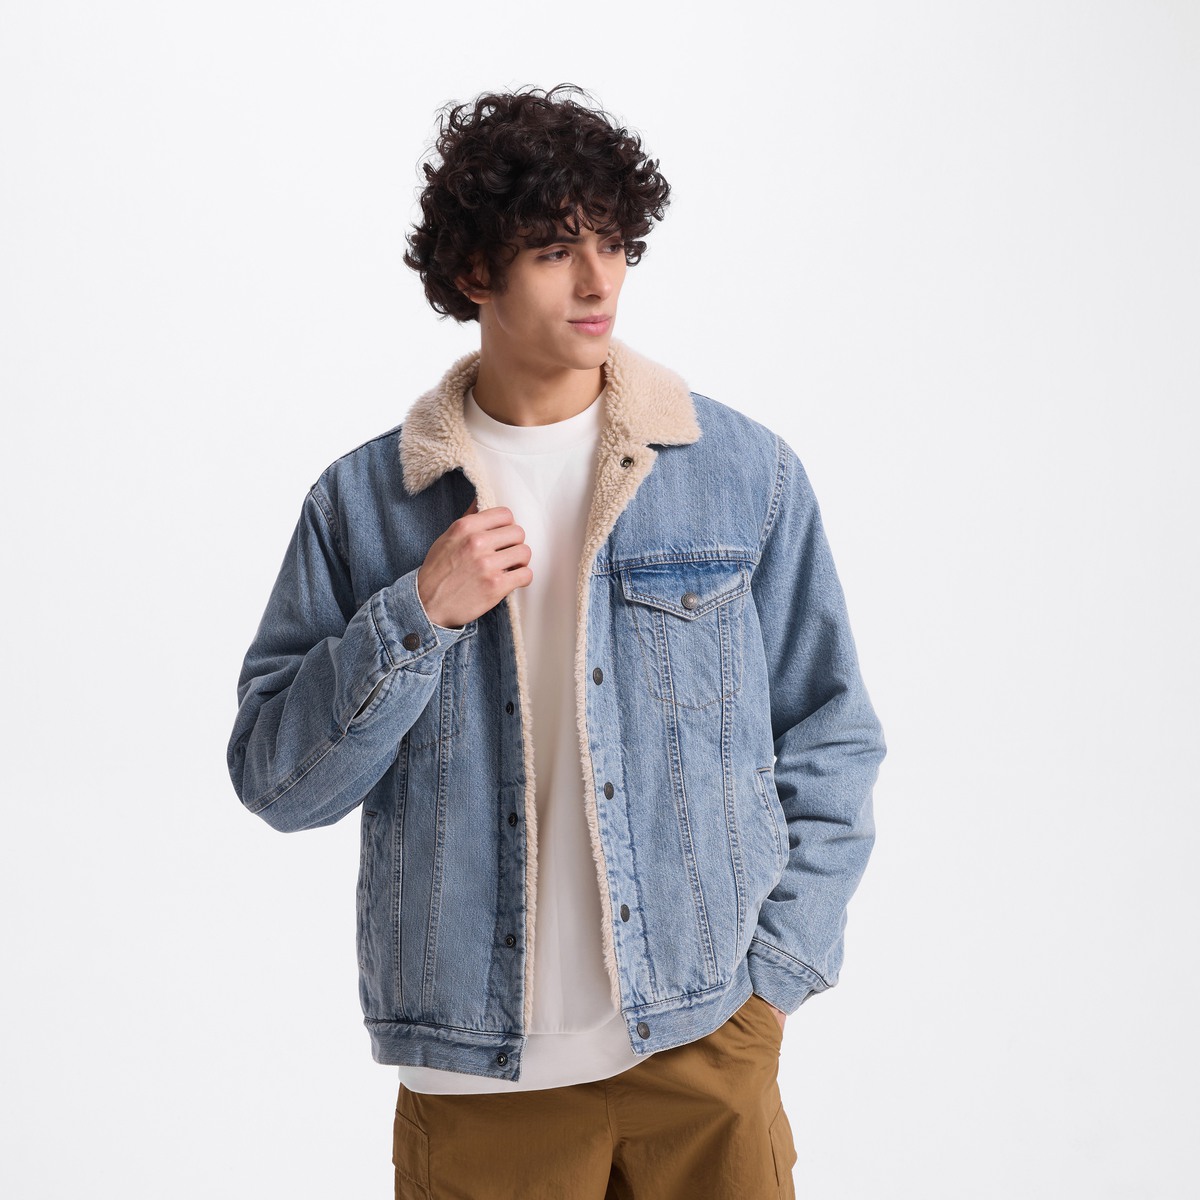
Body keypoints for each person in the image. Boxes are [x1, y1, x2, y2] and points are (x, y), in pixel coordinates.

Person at [227, 83, 886, 1200]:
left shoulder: (741, 474)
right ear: (473, 272)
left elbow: (833, 735)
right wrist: (416, 614)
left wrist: (776, 978)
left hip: (703, 1049)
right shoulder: (366, 506)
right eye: (554, 251)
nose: (598, 282)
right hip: (479, 1083)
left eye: (615, 244)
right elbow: (277, 783)